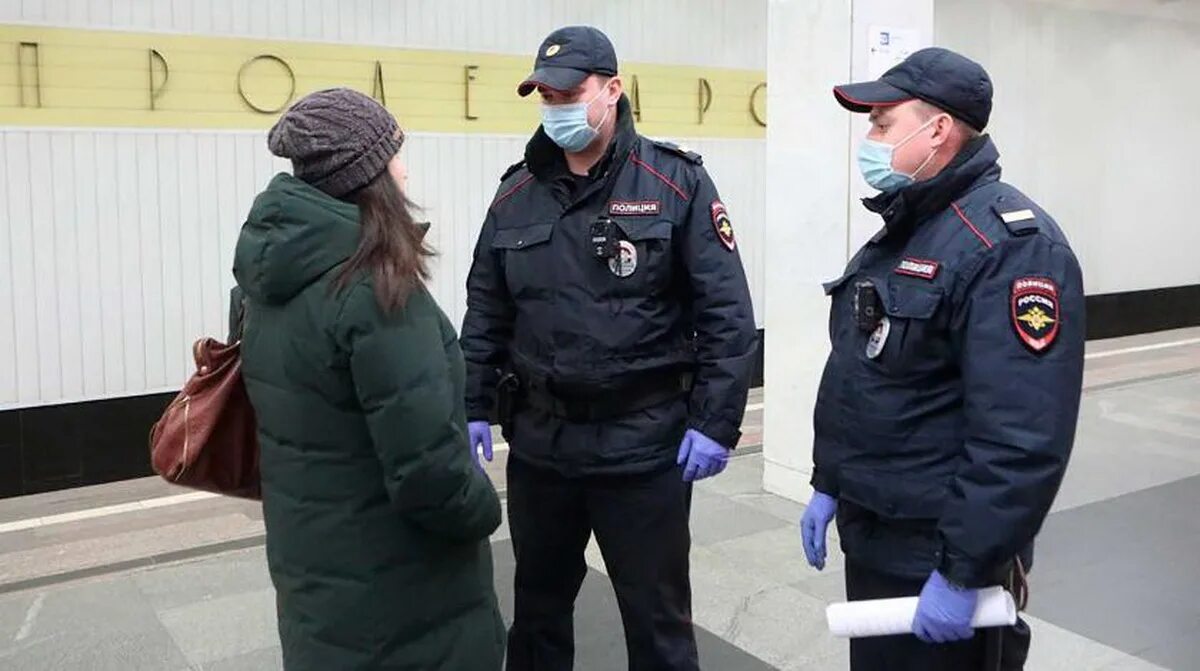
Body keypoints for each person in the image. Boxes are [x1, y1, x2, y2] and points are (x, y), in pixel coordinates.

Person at [460, 25, 758, 671]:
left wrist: (715, 421)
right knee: (537, 608)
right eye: (545, 96)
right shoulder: (515, 192)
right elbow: (487, 304)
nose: (557, 108)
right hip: (542, 444)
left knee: (655, 615)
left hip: (644, 444)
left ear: (613, 90)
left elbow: (726, 311)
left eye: (570, 93)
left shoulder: (676, 182)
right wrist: (473, 400)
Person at [798, 48, 1085, 671]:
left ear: (938, 130)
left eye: (881, 123)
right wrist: (830, 481)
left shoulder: (1012, 250)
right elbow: (861, 374)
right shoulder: (908, 227)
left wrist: (964, 571)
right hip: (875, 533)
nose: (869, 139)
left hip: (940, 558)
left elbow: (1020, 438)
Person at [232, 88, 505, 671]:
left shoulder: (268, 281)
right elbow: (429, 474)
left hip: (314, 568)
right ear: (369, 174)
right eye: (396, 154)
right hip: (403, 594)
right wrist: (484, 507)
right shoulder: (378, 293)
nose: (405, 168)